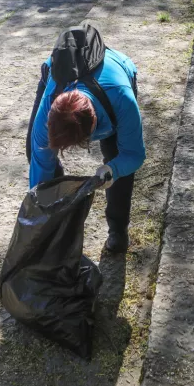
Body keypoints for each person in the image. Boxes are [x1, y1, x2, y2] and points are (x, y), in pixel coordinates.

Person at [27, 28, 145, 253]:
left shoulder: (121, 98)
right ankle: (57, 223)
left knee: (117, 159)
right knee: (34, 154)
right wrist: (39, 214)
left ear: (93, 128)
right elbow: (40, 161)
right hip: (56, 72)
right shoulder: (49, 107)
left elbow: (134, 154)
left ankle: (118, 231)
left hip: (114, 76)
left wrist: (112, 169)